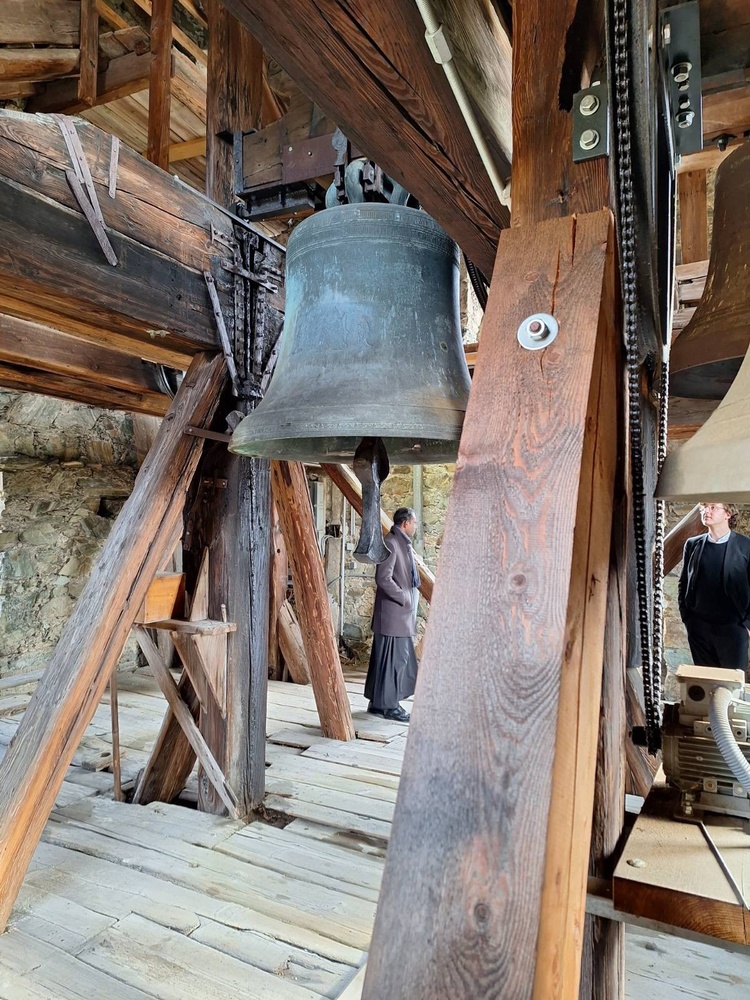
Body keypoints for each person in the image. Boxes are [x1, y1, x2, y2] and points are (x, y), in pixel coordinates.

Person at [678, 501, 750, 671]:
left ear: (728, 514)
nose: (706, 511)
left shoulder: (746, 546)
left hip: (733, 628)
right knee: (706, 683)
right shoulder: (692, 544)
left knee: (730, 684)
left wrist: (747, 624)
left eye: (713, 507)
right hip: (699, 628)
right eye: (704, 507)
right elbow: (684, 583)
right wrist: (687, 617)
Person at [365, 507, 420, 722]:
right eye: (414, 522)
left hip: (398, 616)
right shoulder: (392, 543)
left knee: (389, 660)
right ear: (405, 523)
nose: (415, 526)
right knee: (395, 661)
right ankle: (389, 707)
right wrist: (403, 597)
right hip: (393, 614)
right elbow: (383, 578)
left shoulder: (401, 543)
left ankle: (379, 704)